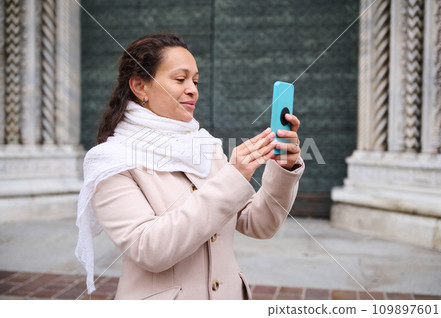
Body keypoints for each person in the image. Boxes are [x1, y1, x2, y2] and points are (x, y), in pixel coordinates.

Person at [75, 33, 304, 300]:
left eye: (195, 80)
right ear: (140, 87)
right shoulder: (110, 160)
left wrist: (283, 169)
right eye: (180, 79)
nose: (193, 89)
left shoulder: (205, 146)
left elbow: (259, 224)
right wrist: (234, 177)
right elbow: (151, 249)